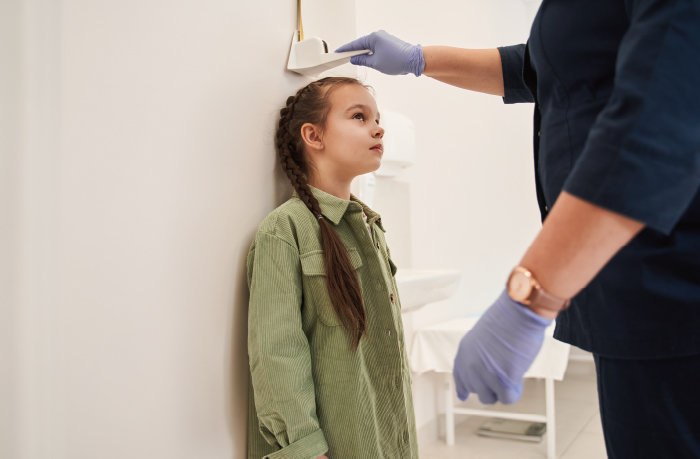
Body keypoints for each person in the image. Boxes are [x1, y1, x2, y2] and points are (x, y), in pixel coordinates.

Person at [336, 1, 700, 457]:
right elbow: (542, 67)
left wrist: (531, 298)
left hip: (674, 289)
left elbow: (662, 122)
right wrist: (420, 59)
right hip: (629, 290)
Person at [246, 77, 418, 459]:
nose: (378, 127)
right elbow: (277, 354)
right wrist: (305, 450)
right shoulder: (285, 230)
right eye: (359, 116)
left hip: (385, 435)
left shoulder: (369, 226)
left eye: (376, 118)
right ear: (314, 135)